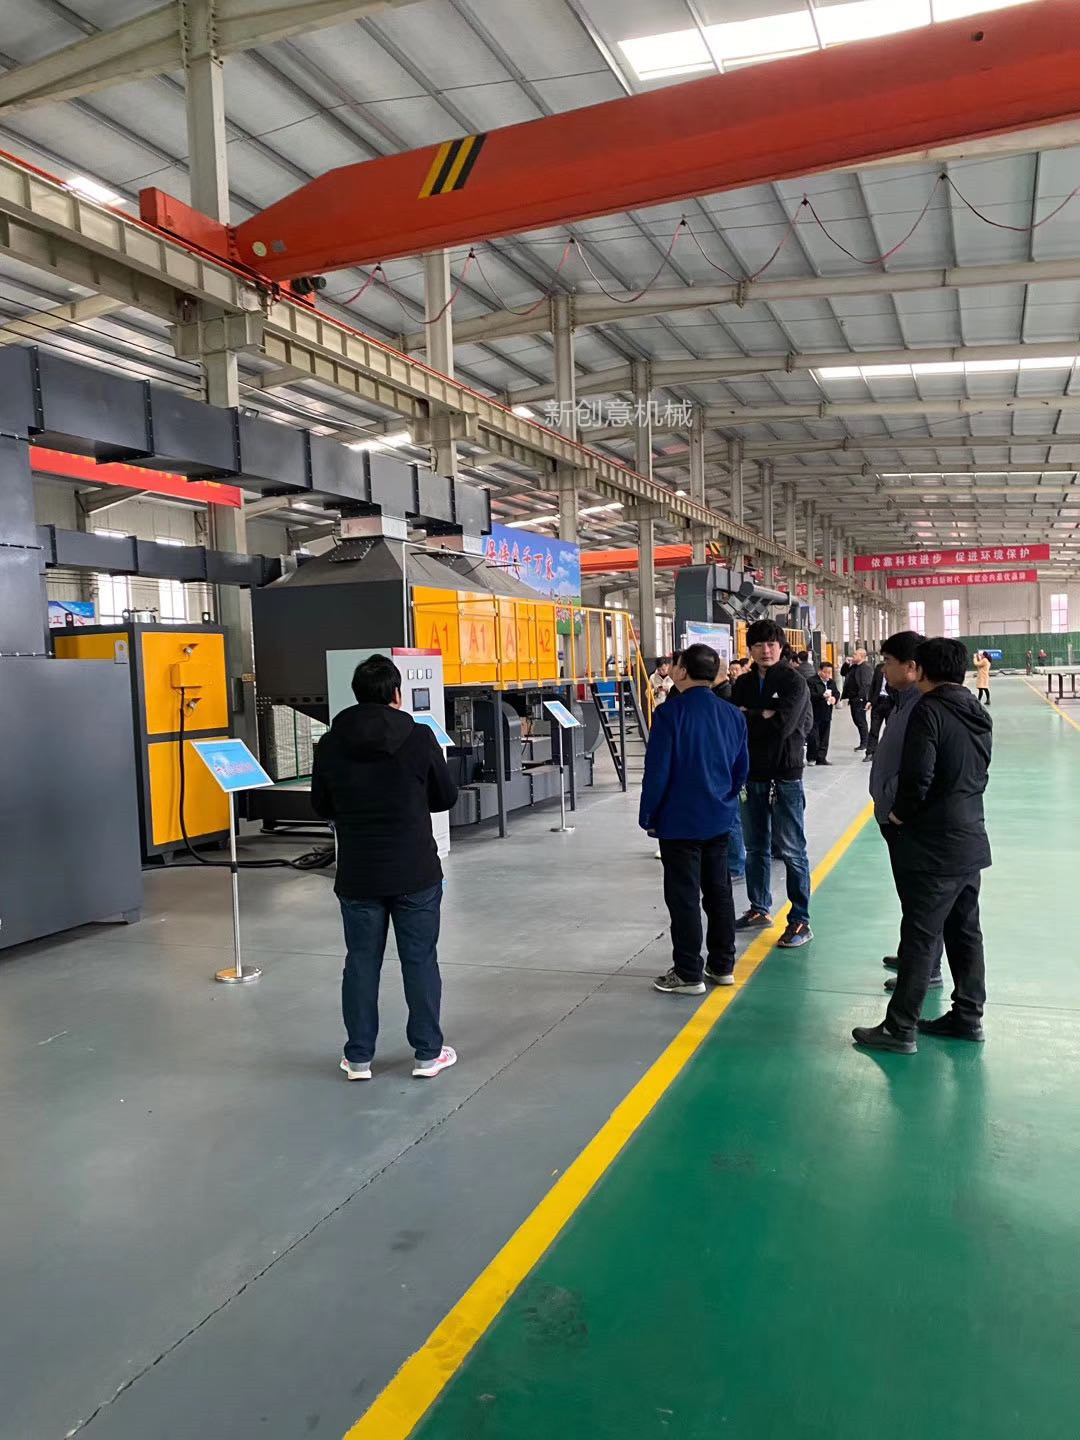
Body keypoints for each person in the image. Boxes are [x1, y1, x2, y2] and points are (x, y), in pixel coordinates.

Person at [311, 654, 459, 1082]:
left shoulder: (331, 743)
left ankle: (358, 1058)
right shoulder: (419, 737)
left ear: (357, 695)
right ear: (397, 693)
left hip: (359, 873)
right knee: (419, 960)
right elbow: (445, 797)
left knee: (360, 962)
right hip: (415, 870)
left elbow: (320, 805)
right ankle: (427, 1054)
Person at [852, 638, 992, 1054]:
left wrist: (899, 814)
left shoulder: (929, 710)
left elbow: (918, 776)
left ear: (921, 670)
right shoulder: (975, 710)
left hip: (933, 843)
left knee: (920, 935)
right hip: (969, 835)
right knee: (964, 931)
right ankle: (968, 1016)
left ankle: (900, 1028)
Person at [639, 643, 749, 994]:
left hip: (679, 820)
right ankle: (723, 965)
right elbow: (741, 769)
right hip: (719, 817)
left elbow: (657, 772)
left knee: (683, 895)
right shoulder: (732, 714)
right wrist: (725, 800)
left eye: (676, 663)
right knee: (719, 891)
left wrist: (649, 815)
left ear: (683, 671)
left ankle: (688, 972)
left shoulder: (670, 714)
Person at [866, 631, 943, 997]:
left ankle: (926, 969)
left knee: (919, 899)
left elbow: (920, 768)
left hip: (904, 818)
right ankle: (913, 955)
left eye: (888, 662)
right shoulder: (902, 701)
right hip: (892, 814)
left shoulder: (920, 707)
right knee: (909, 896)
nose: (884, 669)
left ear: (911, 667)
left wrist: (895, 806)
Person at [730, 618, 814, 948]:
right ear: (750, 649)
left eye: (771, 644)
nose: (766, 650)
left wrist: (752, 714)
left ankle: (800, 920)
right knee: (755, 848)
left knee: (792, 850)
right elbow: (736, 725)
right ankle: (759, 908)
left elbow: (783, 726)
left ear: (781, 647)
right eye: (759, 645)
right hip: (753, 774)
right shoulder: (743, 683)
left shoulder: (794, 682)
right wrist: (763, 714)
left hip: (785, 775)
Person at [806, 661, 840, 765]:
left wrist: (834, 698)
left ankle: (821, 758)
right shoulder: (811, 681)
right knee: (814, 737)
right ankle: (812, 757)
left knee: (825, 737)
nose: (828, 675)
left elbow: (836, 692)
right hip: (815, 712)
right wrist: (822, 696)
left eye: (830, 673)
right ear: (820, 671)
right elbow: (810, 695)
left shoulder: (831, 682)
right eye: (826, 672)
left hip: (827, 712)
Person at [841, 646, 873, 752]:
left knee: (861, 721)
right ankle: (864, 742)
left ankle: (865, 743)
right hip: (853, 698)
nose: (853, 656)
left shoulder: (865, 668)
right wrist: (846, 664)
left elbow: (866, 684)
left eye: (855, 654)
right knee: (857, 720)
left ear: (861, 656)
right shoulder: (854, 666)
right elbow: (843, 673)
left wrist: (861, 697)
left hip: (859, 699)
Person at [864, 658, 893, 760]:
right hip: (878, 702)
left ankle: (889, 753)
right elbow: (873, 685)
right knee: (874, 728)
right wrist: (870, 701)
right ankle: (870, 752)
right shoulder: (879, 668)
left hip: (891, 702)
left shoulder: (895, 669)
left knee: (890, 729)